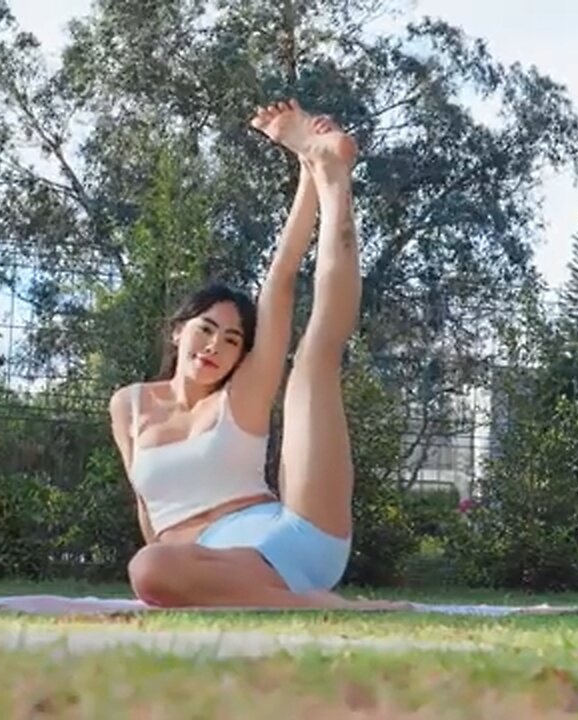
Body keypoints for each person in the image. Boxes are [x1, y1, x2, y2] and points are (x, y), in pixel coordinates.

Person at [108, 99, 404, 610]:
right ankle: (314, 606)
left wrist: (309, 171)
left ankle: (337, 182)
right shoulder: (130, 406)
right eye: (207, 329)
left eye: (232, 340)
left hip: (290, 538)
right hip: (210, 566)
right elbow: (147, 509)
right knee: (150, 566)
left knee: (315, 356)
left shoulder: (239, 397)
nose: (215, 346)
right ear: (179, 332)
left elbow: (281, 279)